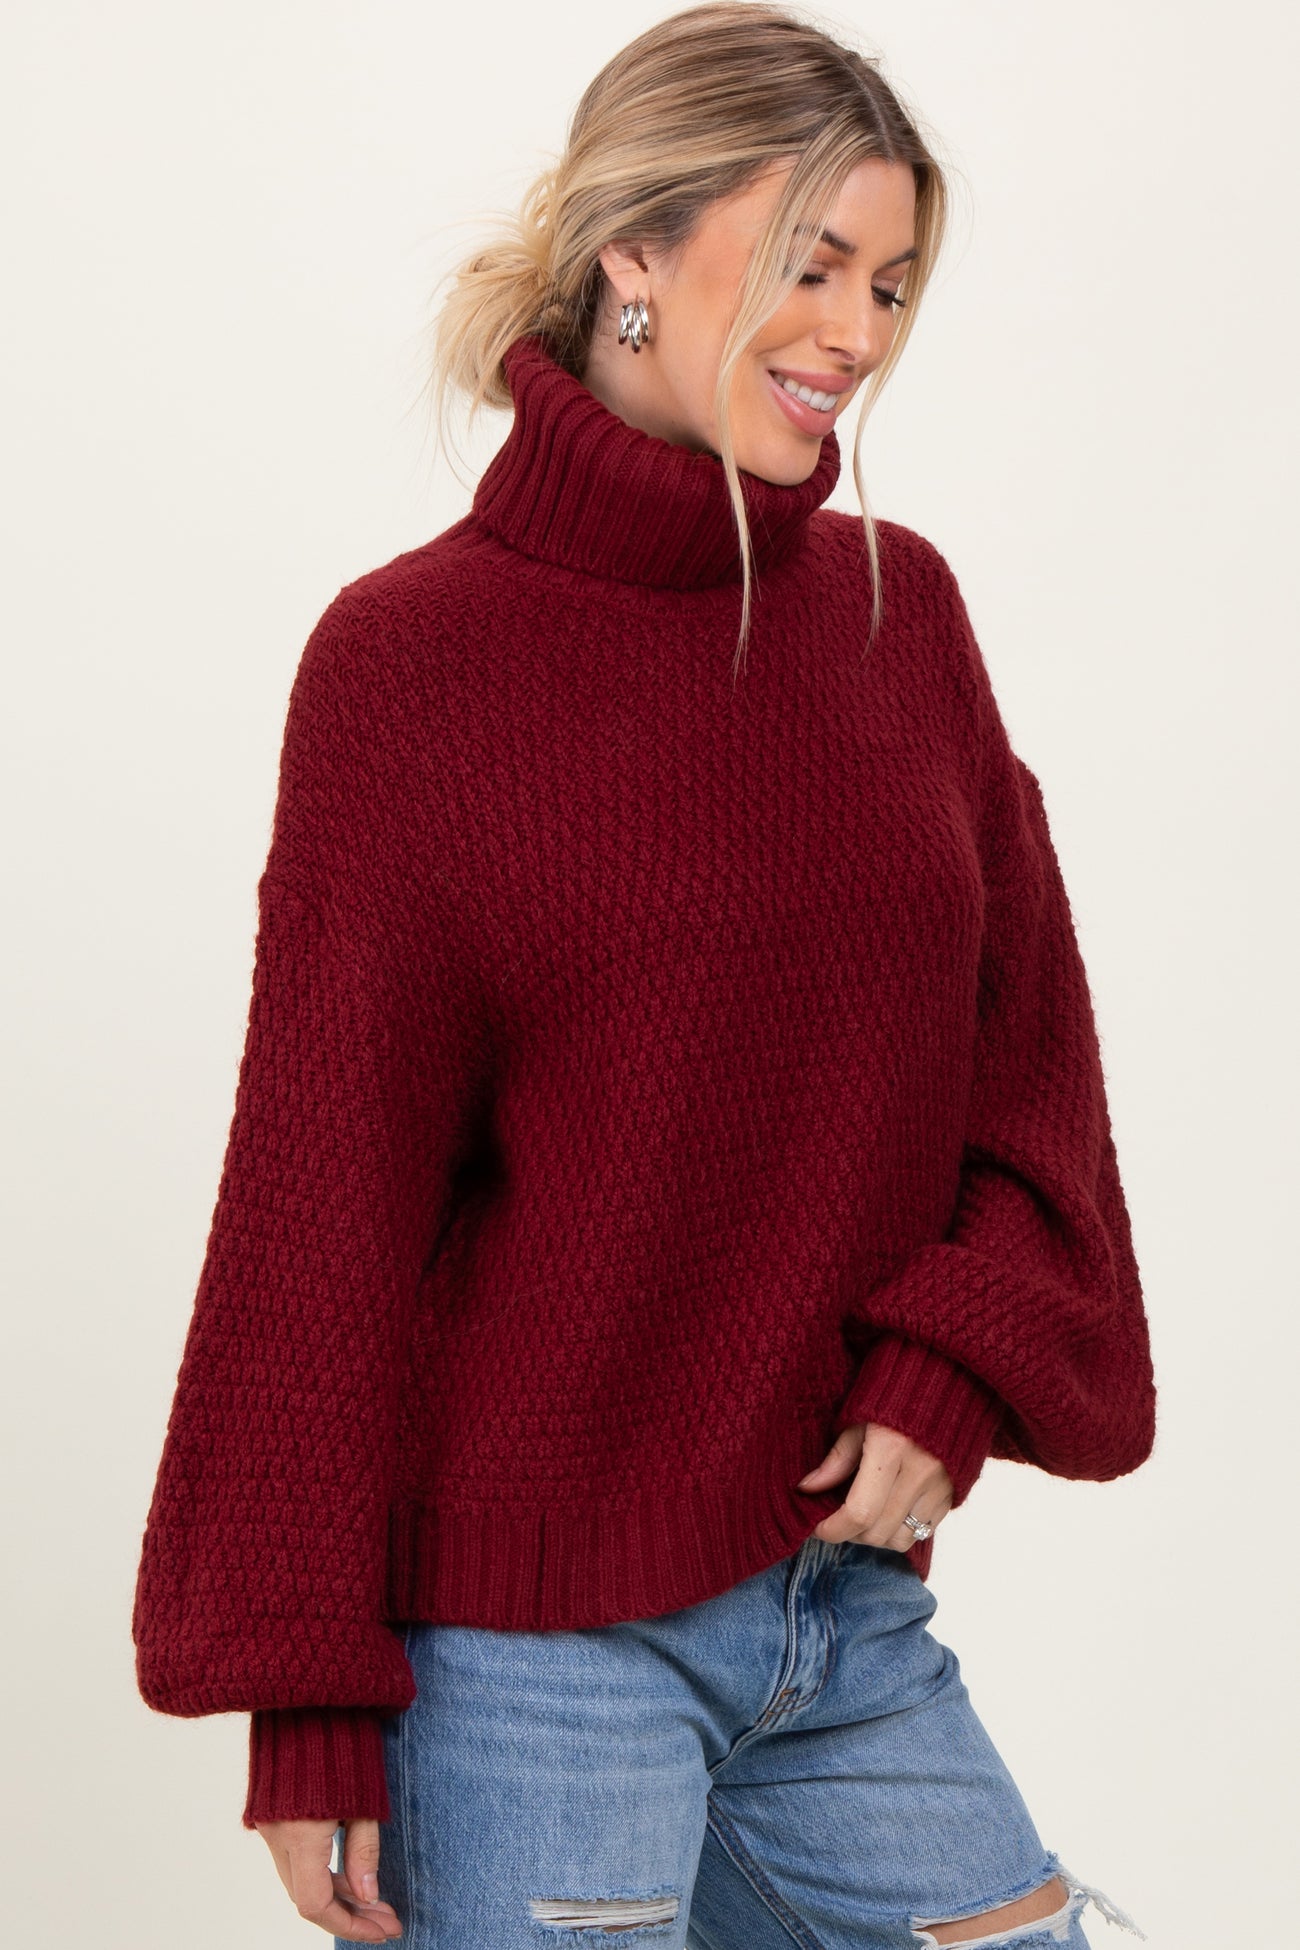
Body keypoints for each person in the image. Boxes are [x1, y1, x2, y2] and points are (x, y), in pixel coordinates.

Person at [131, 6, 1158, 1946]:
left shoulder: (898, 614)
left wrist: (950, 1355)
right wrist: (306, 1694)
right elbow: (323, 1193)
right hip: (529, 1659)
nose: (854, 333)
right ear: (632, 250)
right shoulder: (409, 662)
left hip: (843, 1619)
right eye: (809, 264)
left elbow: (1031, 1073)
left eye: (889, 283)